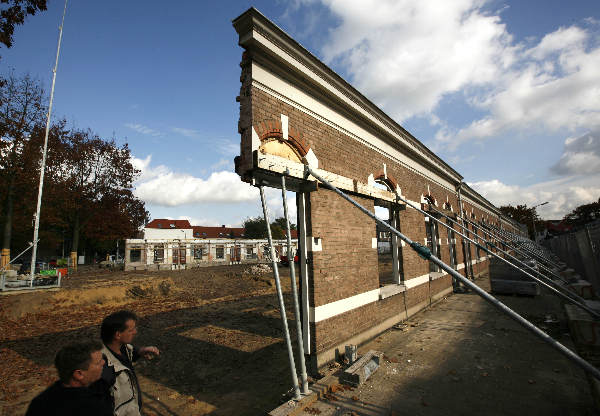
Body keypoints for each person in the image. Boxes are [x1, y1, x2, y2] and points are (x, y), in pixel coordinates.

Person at [96, 310, 160, 416]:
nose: (135, 332)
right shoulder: (103, 368)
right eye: (131, 330)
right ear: (118, 335)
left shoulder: (122, 348)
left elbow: (130, 351)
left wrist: (140, 351)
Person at [25, 340, 112, 416]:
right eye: (98, 362)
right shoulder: (93, 407)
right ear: (79, 374)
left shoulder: (40, 402)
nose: (103, 363)